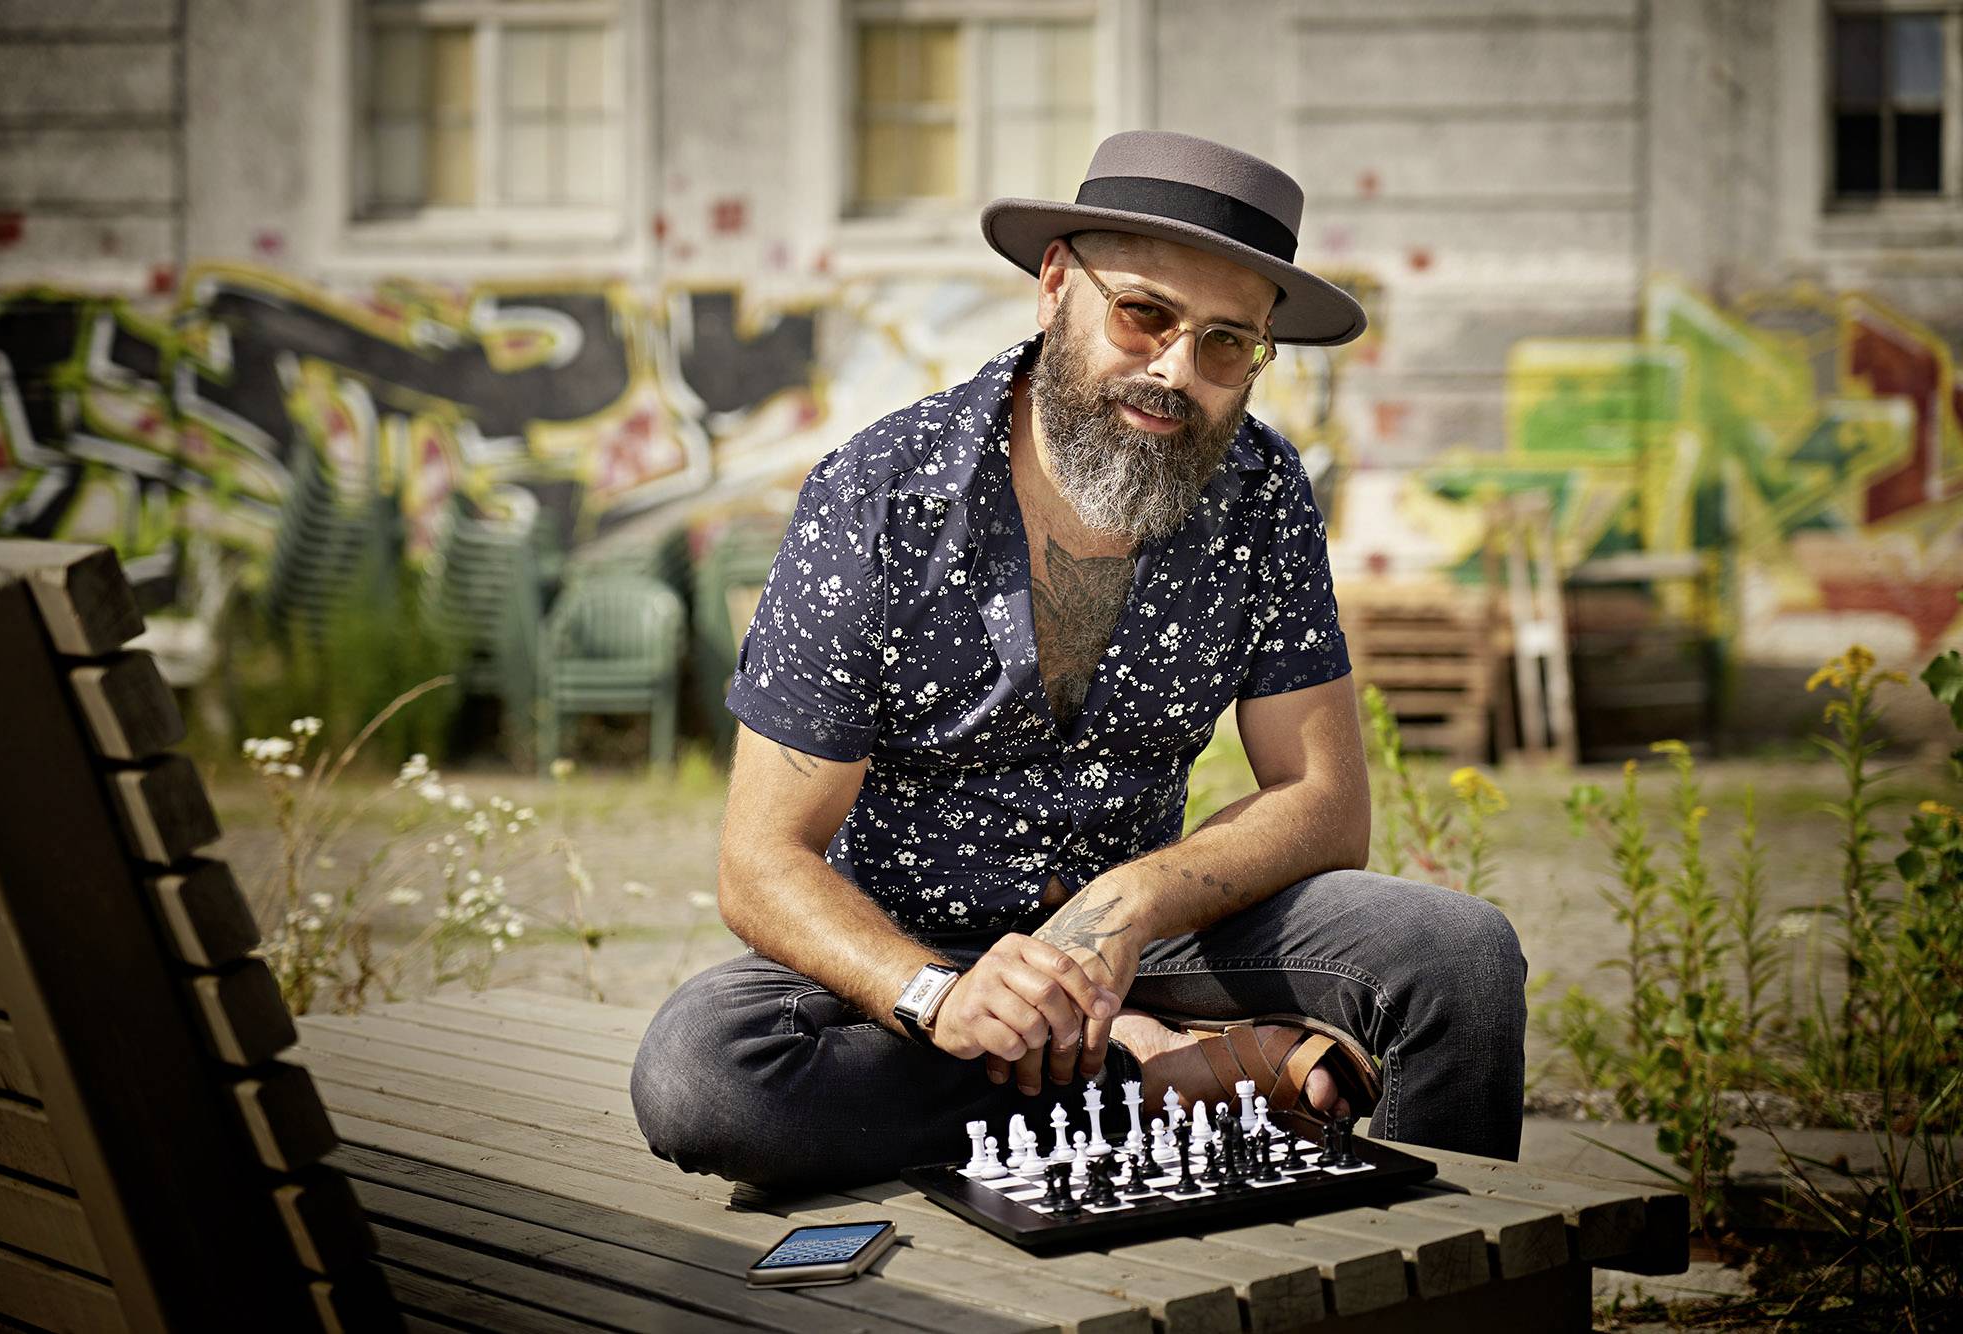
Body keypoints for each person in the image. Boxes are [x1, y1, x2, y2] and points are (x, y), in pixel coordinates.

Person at [631, 130, 1527, 1189]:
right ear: (1055, 282)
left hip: (1145, 943)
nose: (1174, 372)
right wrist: (936, 994)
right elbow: (760, 857)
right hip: (914, 957)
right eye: (1142, 313)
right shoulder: (877, 496)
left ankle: (1437, 1275)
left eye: (1226, 344)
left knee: (1458, 958)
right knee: (706, 1074)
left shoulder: (1262, 491)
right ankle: (1154, 1078)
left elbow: (1324, 798)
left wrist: (1125, 909)